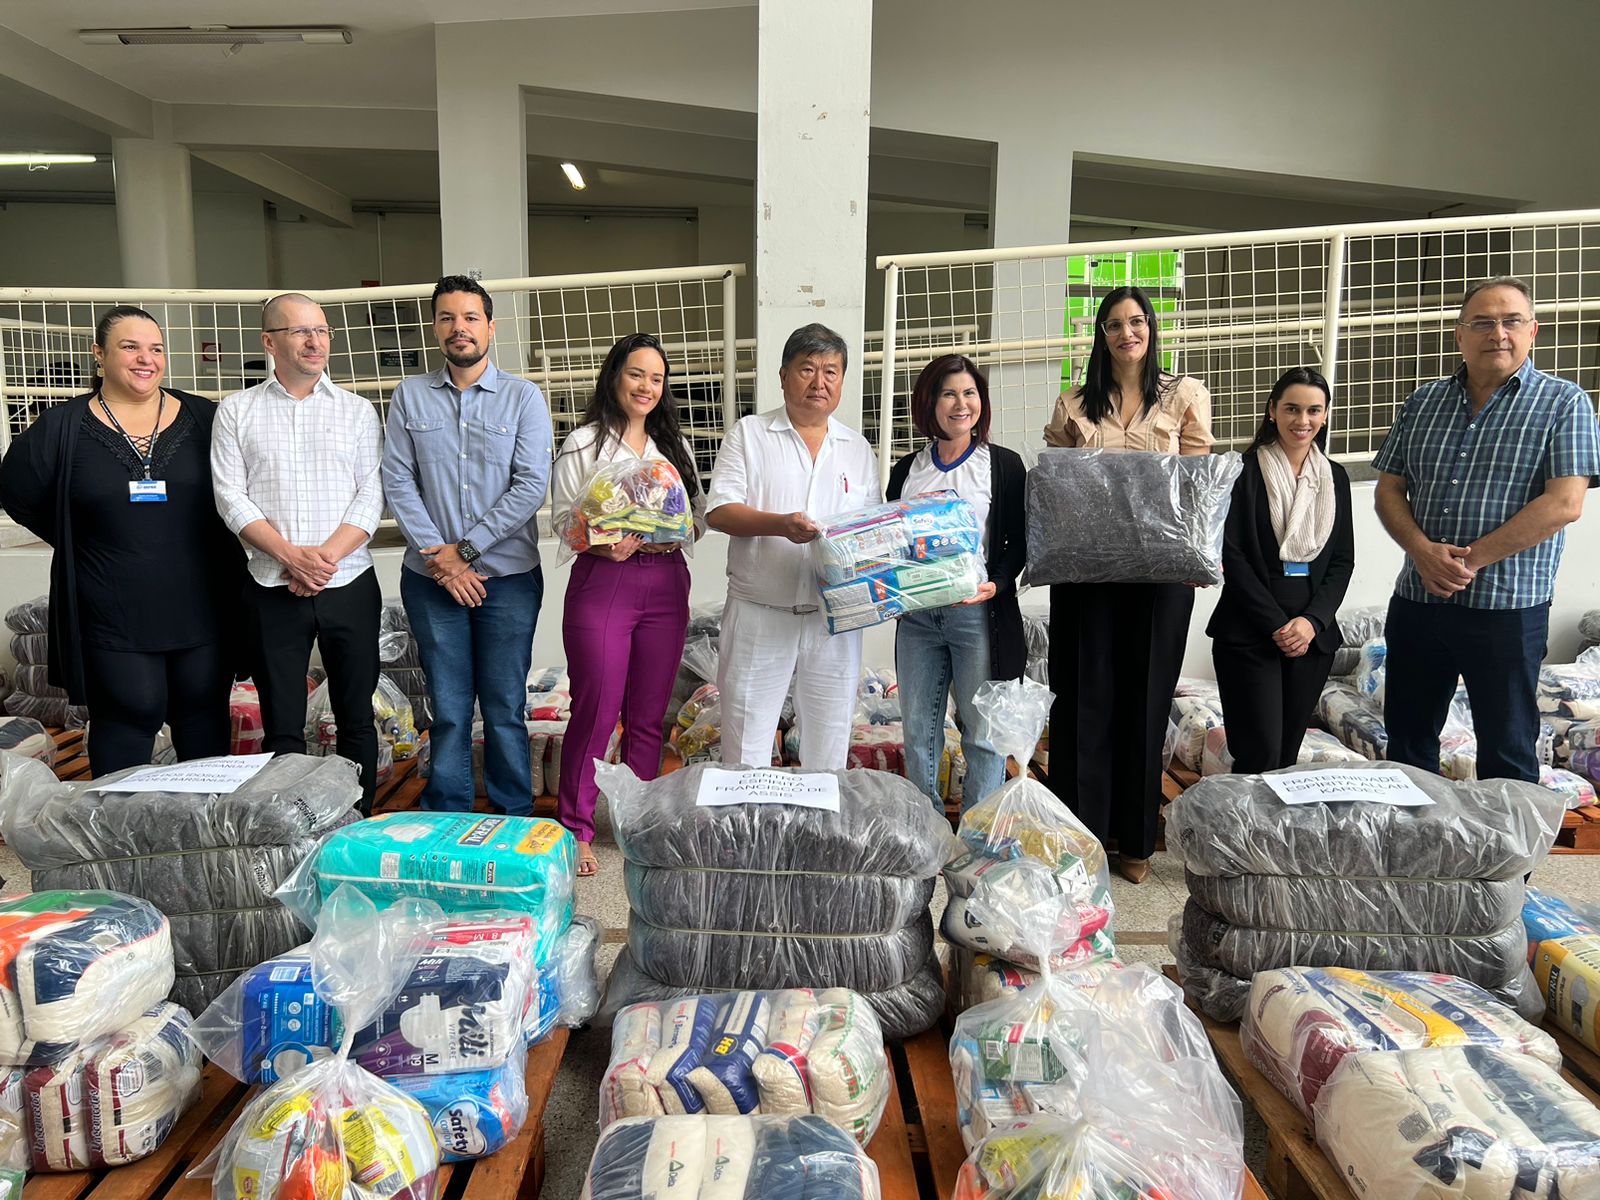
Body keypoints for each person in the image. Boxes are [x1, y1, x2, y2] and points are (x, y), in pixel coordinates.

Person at [1375, 276, 1600, 782]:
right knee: (1407, 742)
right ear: (1459, 335)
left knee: (1508, 748)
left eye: (1511, 321)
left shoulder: (1565, 403)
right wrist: (1422, 551)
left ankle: (1507, 840)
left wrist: (1467, 561)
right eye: (1482, 322)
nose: (1497, 333)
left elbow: (1564, 503)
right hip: (1419, 601)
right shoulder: (1423, 402)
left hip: (1507, 609)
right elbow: (1389, 489)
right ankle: (1417, 834)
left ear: (1532, 331)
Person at [0, 306, 242, 774]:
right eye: (130, 347)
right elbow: (17, 492)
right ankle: (120, 819)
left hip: (202, 602)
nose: (145, 359)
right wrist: (83, 537)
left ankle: (205, 819)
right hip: (111, 604)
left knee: (202, 713)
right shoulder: (63, 426)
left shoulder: (206, 418)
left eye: (156, 348)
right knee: (131, 711)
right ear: (99, 354)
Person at [1042, 286, 1213, 883]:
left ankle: (1137, 842)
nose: (1126, 333)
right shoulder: (1073, 403)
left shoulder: (1185, 395)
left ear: (1151, 327)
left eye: (1136, 321)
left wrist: (1197, 558)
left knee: (1145, 701)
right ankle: (1084, 838)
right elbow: (1056, 485)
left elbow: (1200, 486)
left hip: (1161, 573)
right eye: (1114, 324)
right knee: (1084, 700)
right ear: (1101, 335)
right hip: (1087, 572)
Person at [381, 275, 552, 814]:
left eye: (471, 317)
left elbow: (531, 485)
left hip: (508, 580)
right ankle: (448, 813)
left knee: (504, 705)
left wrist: (466, 552)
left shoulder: (523, 397)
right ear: (435, 328)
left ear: (490, 327)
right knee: (449, 708)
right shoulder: (409, 395)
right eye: (448, 318)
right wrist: (443, 560)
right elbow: (398, 481)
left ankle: (512, 815)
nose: (460, 328)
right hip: (430, 579)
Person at [212, 294, 385, 813]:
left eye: (322, 330)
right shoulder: (236, 411)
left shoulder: (357, 411)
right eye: (300, 332)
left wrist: (321, 560)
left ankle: (355, 821)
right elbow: (230, 496)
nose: (315, 341)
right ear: (270, 341)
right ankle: (291, 829)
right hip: (272, 584)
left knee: (355, 718)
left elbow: (371, 494)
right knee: (283, 724)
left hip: (348, 582)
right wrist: (290, 556)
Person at [552, 333, 702, 876]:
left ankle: (637, 821)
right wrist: (599, 542)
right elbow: (563, 521)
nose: (646, 387)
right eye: (636, 374)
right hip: (605, 581)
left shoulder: (672, 448)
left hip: (665, 582)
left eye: (656, 379)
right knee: (596, 707)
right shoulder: (584, 443)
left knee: (649, 714)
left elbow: (696, 520)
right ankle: (576, 828)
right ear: (615, 376)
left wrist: (674, 530)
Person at [705, 323, 879, 769]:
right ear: (783, 376)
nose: (819, 382)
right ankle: (747, 818)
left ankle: (818, 818)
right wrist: (780, 525)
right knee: (746, 750)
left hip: (833, 622)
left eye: (831, 371)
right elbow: (719, 511)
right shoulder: (750, 434)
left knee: (829, 749)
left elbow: (871, 531)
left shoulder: (857, 448)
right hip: (760, 614)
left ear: (842, 380)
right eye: (807, 369)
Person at [886, 354, 1027, 809]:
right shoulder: (907, 470)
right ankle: (925, 826)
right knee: (917, 732)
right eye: (949, 393)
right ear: (930, 402)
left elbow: (1021, 539)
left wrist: (997, 584)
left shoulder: (1002, 465)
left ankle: (976, 834)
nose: (961, 404)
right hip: (917, 620)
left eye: (970, 393)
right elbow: (890, 541)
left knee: (982, 732)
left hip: (977, 616)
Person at [1207, 367, 1354, 772]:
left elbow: (1342, 560)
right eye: (1292, 408)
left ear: (1325, 415)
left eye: (1313, 410)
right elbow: (1231, 555)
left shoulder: (1335, 478)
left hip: (1311, 635)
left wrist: (1311, 622)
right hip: (1249, 628)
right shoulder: (1241, 472)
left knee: (1287, 756)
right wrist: (1277, 625)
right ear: (1272, 410)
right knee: (1260, 754)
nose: (1302, 420)